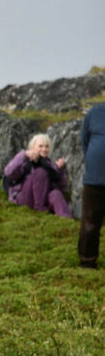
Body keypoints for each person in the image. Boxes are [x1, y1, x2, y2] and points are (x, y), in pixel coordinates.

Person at [3, 134, 72, 218]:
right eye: (40, 146)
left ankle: (66, 220)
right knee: (40, 172)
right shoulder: (25, 160)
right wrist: (24, 154)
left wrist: (61, 170)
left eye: (47, 146)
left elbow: (61, 188)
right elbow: (8, 171)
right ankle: (39, 209)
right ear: (32, 147)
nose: (44, 149)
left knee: (56, 193)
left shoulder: (49, 166)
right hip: (24, 198)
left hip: (43, 199)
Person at [79, 102, 105, 269]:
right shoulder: (94, 113)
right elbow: (85, 142)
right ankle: (87, 261)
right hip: (95, 179)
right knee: (90, 222)